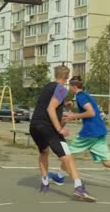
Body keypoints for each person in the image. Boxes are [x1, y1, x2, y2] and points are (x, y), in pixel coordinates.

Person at [59, 75, 110, 192]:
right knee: (107, 162)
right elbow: (87, 110)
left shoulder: (80, 97)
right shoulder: (85, 94)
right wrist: (71, 107)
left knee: (66, 152)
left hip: (90, 132)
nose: (69, 89)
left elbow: (91, 112)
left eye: (69, 86)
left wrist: (73, 116)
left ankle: (59, 176)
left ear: (74, 86)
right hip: (99, 131)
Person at [29, 64, 96, 202]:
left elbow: (48, 103)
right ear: (66, 77)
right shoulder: (61, 89)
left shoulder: (48, 86)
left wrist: (65, 104)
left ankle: (45, 183)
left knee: (44, 152)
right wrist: (59, 129)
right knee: (67, 156)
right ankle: (78, 187)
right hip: (47, 127)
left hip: (34, 126)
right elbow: (50, 108)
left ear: (55, 74)